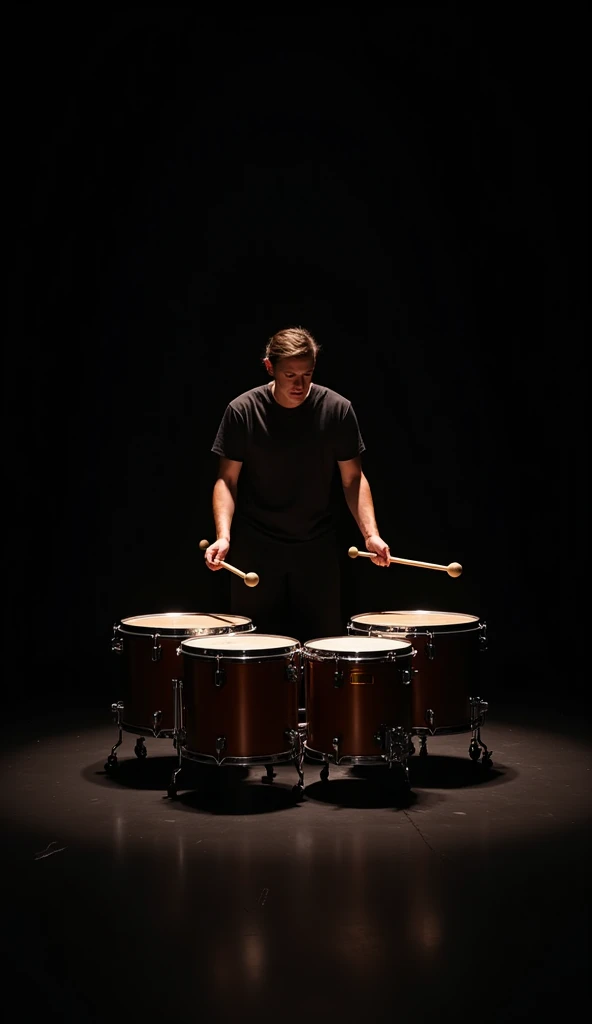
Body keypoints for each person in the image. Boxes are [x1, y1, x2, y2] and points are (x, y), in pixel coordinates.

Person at [204, 326, 390, 643]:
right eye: (290, 375)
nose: (300, 384)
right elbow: (227, 479)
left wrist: (370, 534)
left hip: (315, 546)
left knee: (323, 649)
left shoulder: (337, 409)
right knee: (254, 652)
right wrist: (223, 536)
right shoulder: (243, 411)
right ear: (269, 367)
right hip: (257, 547)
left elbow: (353, 479)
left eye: (307, 373)